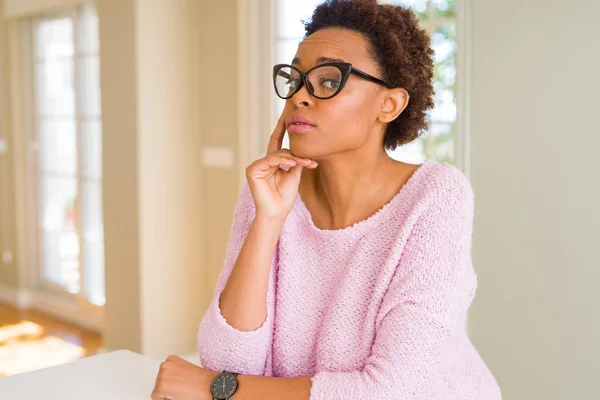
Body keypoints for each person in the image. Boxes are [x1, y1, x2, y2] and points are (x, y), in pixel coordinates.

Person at [152, 0, 502, 399]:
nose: (300, 96)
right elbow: (228, 363)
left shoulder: (434, 197)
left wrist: (216, 390)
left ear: (389, 104)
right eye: (296, 78)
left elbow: (392, 390)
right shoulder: (271, 193)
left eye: (329, 80)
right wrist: (268, 222)